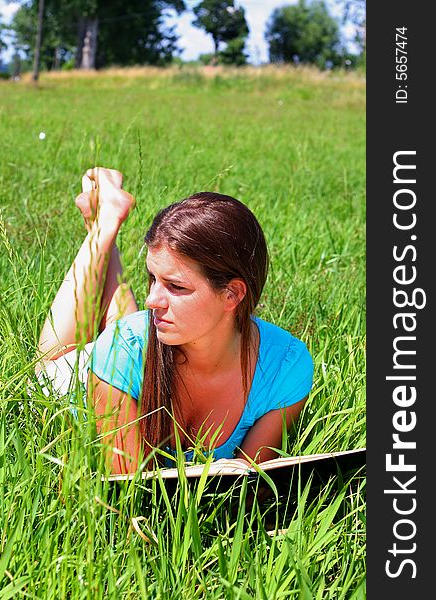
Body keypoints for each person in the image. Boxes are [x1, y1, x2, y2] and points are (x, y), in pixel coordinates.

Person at [36, 167, 313, 475]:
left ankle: (107, 218)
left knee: (132, 332)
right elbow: (133, 490)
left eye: (176, 286)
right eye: (152, 278)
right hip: (79, 377)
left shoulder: (285, 367)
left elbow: (249, 487)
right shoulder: (119, 351)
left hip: (138, 349)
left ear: (232, 294)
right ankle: (104, 226)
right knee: (52, 360)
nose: (151, 299)